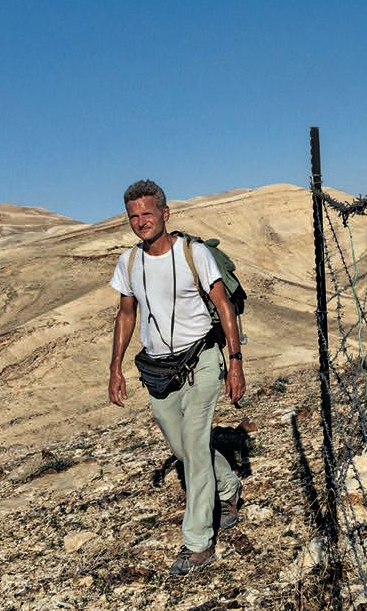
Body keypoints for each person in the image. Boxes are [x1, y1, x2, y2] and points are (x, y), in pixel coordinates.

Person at [108, 179, 246, 575]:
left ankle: (198, 542)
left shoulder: (194, 254)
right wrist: (115, 367)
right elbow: (126, 314)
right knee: (183, 448)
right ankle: (230, 487)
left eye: (147, 213)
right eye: (133, 216)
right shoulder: (129, 263)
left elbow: (223, 306)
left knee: (195, 446)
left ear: (165, 214)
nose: (140, 222)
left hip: (202, 361)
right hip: (159, 371)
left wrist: (234, 361)